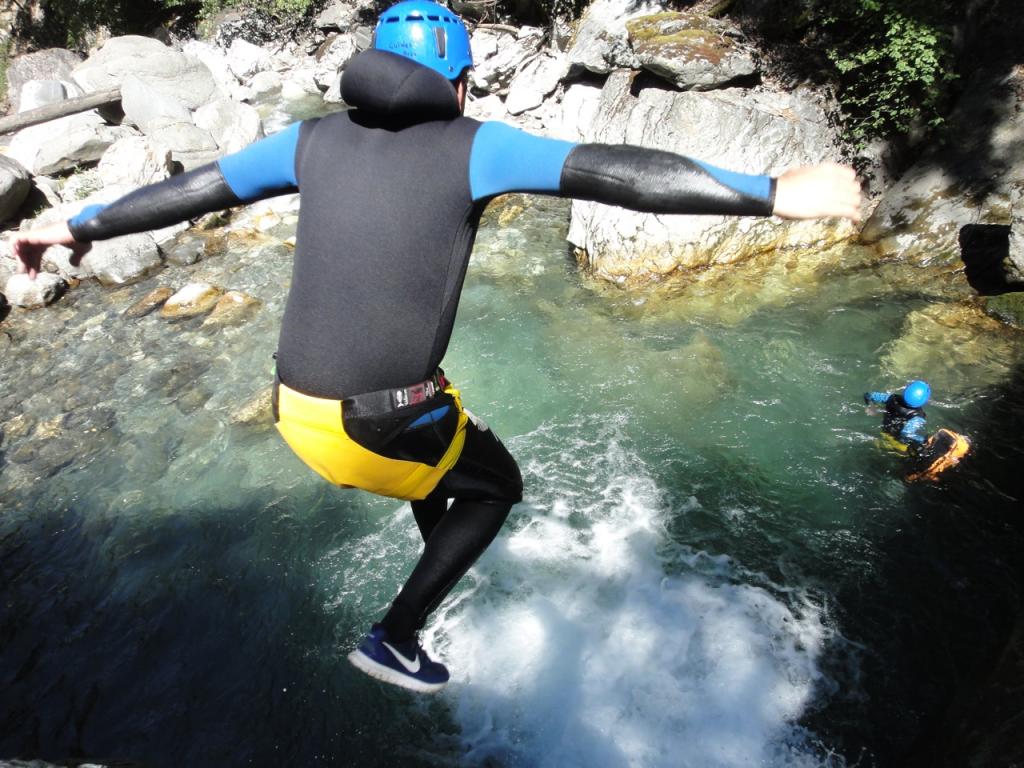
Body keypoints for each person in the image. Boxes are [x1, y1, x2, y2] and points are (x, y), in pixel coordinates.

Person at [11, 0, 862, 694]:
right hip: (365, 425)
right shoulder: (475, 143)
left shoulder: (309, 138)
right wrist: (776, 193)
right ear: (458, 82)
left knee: (451, 422)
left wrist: (73, 225)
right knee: (498, 487)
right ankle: (395, 637)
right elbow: (615, 170)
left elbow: (188, 191)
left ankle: (436, 553)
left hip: (296, 409)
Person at [864, 379, 931, 452]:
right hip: (899, 443)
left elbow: (868, 395)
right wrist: (923, 440)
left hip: (884, 432)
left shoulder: (891, 398)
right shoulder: (917, 417)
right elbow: (906, 433)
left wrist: (871, 406)